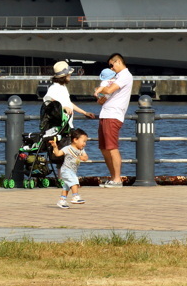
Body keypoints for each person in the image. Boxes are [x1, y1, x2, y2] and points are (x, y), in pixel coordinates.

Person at [94, 53, 133, 187]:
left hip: (113, 115)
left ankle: (117, 179)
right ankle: (112, 177)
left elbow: (110, 89)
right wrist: (101, 96)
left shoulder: (125, 76)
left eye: (112, 65)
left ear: (118, 62)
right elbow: (104, 97)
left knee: (112, 147)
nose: (111, 69)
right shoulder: (116, 77)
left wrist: (100, 88)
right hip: (105, 113)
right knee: (104, 148)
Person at [41, 61, 97, 134]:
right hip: (60, 128)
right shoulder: (55, 87)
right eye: (69, 74)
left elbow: (68, 103)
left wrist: (84, 112)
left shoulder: (62, 87)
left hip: (67, 126)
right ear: (64, 76)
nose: (70, 75)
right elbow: (47, 100)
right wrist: (63, 108)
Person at [52, 128, 90, 209]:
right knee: (74, 181)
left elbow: (85, 156)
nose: (84, 144)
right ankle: (75, 196)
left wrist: (84, 157)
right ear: (75, 140)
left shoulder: (81, 150)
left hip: (73, 170)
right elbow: (58, 154)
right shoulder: (68, 148)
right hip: (66, 170)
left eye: (85, 142)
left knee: (67, 186)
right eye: (83, 141)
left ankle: (62, 200)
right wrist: (55, 147)